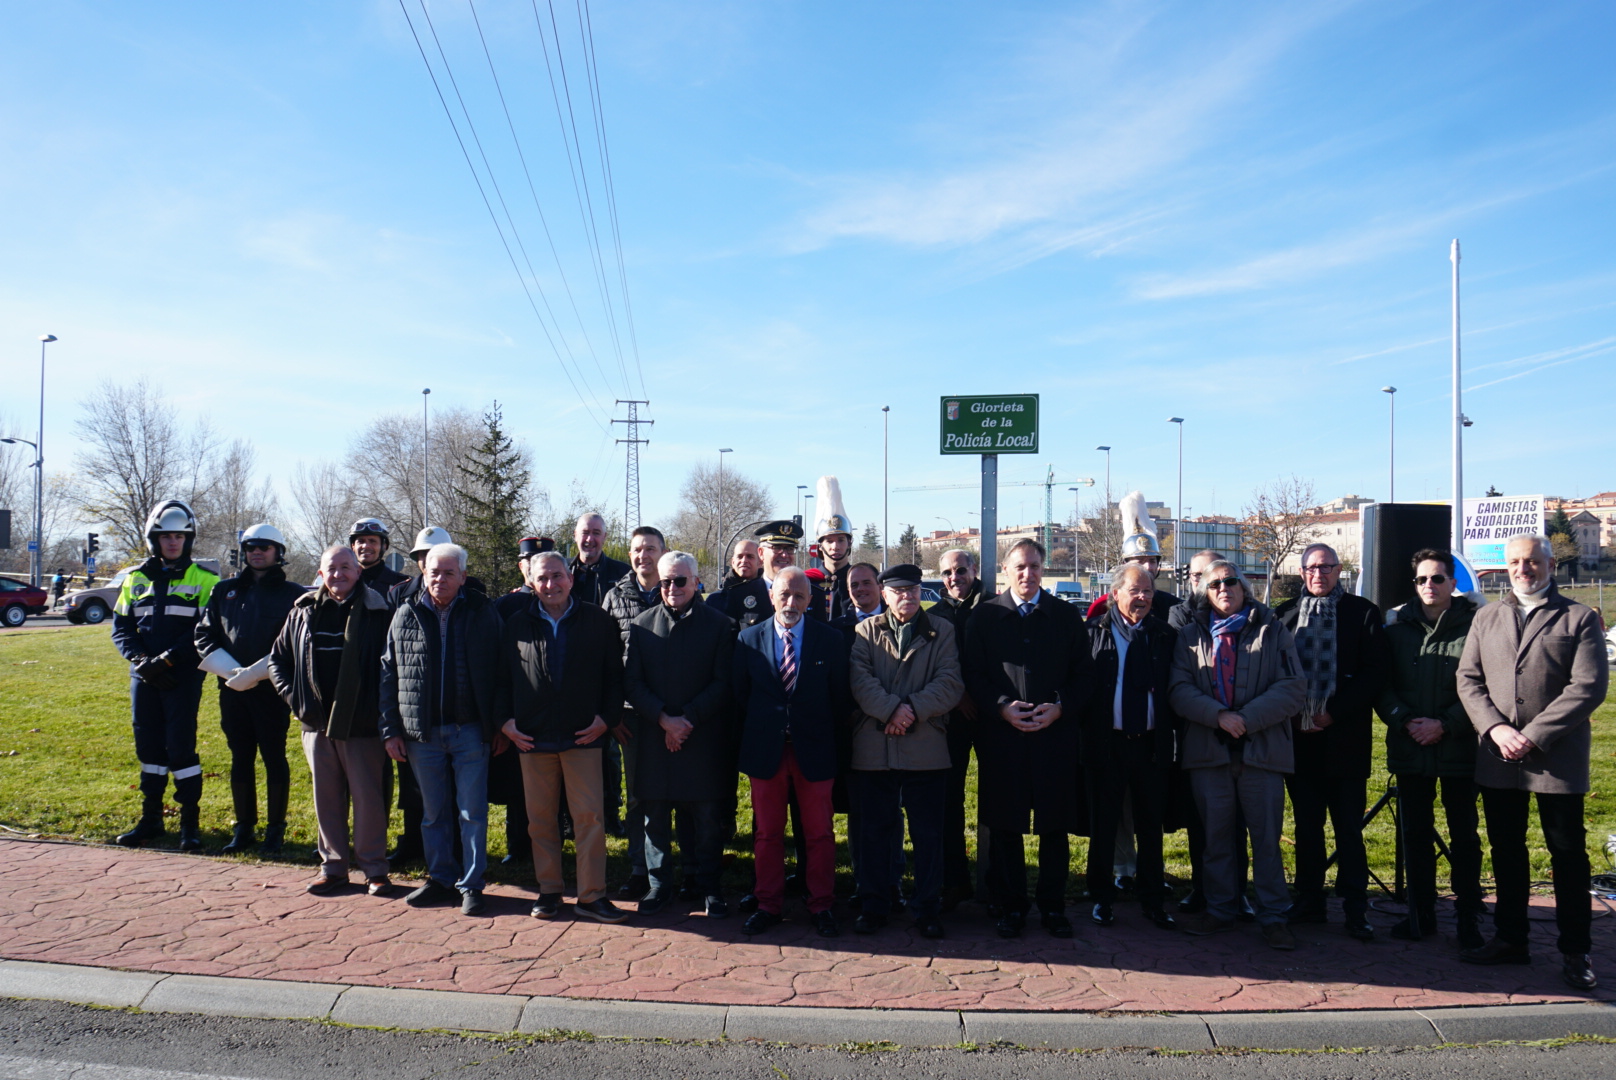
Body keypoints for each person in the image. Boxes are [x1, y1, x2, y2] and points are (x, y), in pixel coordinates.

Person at [1457, 534, 1607, 991]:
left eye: (1533, 561)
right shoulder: (1487, 616)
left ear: (1550, 564)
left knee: (1567, 855)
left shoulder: (1579, 617)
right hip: (1499, 756)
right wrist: (1496, 728)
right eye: (1517, 562)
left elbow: (1588, 687)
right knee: (1506, 852)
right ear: (1506, 567)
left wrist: (1534, 735)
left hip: (1555, 760)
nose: (1524, 569)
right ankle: (1510, 939)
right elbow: (1468, 678)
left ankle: (1575, 951)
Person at [1169, 561, 1306, 950]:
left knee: (1266, 839)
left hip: (1261, 751)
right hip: (1209, 752)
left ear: (1244, 587)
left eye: (1231, 581)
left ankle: (1274, 916)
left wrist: (1245, 719)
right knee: (1216, 838)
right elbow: (1178, 689)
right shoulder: (1189, 636)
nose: (1224, 588)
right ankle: (1220, 909)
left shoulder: (1273, 630)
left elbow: (1293, 688)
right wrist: (1218, 717)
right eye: (1215, 584)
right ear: (1204, 592)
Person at [966, 539, 1092, 939]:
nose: (1028, 574)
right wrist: (1002, 707)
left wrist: (1059, 707)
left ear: (1043, 570)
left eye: (1035, 566)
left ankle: (1053, 906)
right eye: (1020, 567)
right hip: (1002, 737)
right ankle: (1011, 905)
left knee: (1054, 826)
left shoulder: (1065, 616)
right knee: (1005, 826)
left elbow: (1084, 675)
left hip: (1054, 736)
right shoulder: (984, 617)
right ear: (1006, 570)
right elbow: (973, 676)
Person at [497, 551, 629, 923]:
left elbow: (614, 677)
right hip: (532, 740)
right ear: (531, 581)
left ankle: (591, 896)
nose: (550, 585)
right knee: (540, 821)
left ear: (570, 578)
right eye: (542, 578)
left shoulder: (597, 621)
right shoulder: (516, 623)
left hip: (583, 738)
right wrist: (504, 722)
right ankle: (550, 891)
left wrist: (607, 719)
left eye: (557, 576)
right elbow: (501, 680)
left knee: (589, 819)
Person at [379, 543, 505, 917]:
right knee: (433, 814)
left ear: (463, 576)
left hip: (469, 731)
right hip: (422, 734)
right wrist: (391, 729)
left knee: (472, 813)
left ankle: (471, 885)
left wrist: (497, 724)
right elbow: (388, 673)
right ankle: (440, 879)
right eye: (434, 572)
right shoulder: (406, 613)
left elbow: (502, 672)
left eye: (449, 572)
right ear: (424, 574)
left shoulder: (483, 612)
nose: (440, 578)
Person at [1271, 543, 1387, 940]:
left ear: (1340, 570)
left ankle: (1356, 906)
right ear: (1301, 572)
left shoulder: (1362, 613)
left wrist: (1332, 713)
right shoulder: (1283, 615)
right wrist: (1294, 712)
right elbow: (1273, 673)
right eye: (1311, 568)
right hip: (1297, 737)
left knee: (1348, 828)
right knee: (1306, 825)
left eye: (1327, 567)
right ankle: (1309, 901)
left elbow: (1375, 674)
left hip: (1345, 736)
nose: (1319, 574)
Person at [268, 546, 394, 896]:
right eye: (331, 569)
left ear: (358, 571)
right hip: (317, 725)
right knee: (327, 799)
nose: (338, 574)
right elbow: (277, 660)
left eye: (345, 567)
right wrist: (296, 699)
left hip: (363, 724)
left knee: (368, 799)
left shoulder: (380, 610)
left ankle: (374, 870)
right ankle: (334, 868)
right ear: (321, 574)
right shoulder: (303, 612)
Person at [847, 563, 963, 938]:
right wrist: (890, 711)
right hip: (875, 747)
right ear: (884, 594)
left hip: (925, 746)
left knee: (929, 835)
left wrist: (909, 710)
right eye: (898, 591)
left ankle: (927, 908)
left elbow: (950, 682)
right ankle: (874, 905)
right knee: (874, 833)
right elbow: (859, 680)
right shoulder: (864, 631)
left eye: (913, 590)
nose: (907, 597)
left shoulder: (941, 630)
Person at [1375, 548, 1484, 948]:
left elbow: (1484, 684)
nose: (1429, 586)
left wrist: (1447, 725)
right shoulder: (1395, 629)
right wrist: (1404, 720)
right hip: (1410, 747)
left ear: (1453, 583)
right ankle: (1420, 915)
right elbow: (1381, 686)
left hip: (1459, 748)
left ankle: (1469, 915)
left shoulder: (1476, 626)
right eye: (1422, 579)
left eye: (1437, 578)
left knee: (1465, 836)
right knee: (1415, 835)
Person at [733, 567, 849, 938]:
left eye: (800, 596)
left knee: (819, 834)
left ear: (810, 601)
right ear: (772, 596)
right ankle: (768, 903)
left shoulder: (829, 640)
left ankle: (822, 904)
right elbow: (740, 697)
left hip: (813, 752)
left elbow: (840, 699)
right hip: (766, 751)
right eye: (784, 594)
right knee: (767, 834)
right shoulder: (748, 639)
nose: (791, 602)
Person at [624, 550, 738, 918]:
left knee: (705, 818)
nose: (672, 588)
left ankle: (708, 886)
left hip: (701, 737)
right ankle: (659, 886)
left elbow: (724, 683)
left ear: (696, 581)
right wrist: (663, 720)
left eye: (680, 580)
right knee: (653, 818)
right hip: (656, 737)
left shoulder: (721, 625)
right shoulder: (641, 625)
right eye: (666, 581)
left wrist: (685, 720)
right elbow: (632, 682)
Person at [111, 500, 221, 851]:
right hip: (143, 676)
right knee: (148, 747)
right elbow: (121, 629)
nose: (173, 542)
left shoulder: (206, 579)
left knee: (181, 747)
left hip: (182, 677)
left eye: (179, 536)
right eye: (166, 536)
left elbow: (205, 631)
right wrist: (142, 660)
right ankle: (151, 819)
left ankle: (190, 823)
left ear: (188, 540)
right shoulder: (134, 579)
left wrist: (169, 660)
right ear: (152, 539)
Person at [195, 522, 307, 855]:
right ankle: (243, 828)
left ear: (279, 553)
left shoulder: (294, 595)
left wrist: (257, 674)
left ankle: (275, 831)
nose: (256, 552)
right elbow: (204, 636)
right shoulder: (224, 590)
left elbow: (296, 644)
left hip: (272, 692)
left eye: (264, 547)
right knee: (240, 758)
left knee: (274, 758)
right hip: (231, 689)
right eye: (250, 547)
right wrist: (233, 673)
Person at [1083, 563, 1179, 930]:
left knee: (1151, 826)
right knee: (1104, 825)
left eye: (1148, 592)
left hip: (1151, 745)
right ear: (1115, 594)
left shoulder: (1164, 635)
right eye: (1135, 590)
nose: (1142, 598)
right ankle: (1101, 898)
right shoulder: (1093, 633)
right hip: (1107, 744)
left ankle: (1152, 898)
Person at [601, 526, 667, 888]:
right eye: (638, 550)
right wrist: (612, 715)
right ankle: (639, 868)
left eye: (651, 549)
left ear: (663, 551)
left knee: (678, 792)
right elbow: (605, 661)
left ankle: (679, 867)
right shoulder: (615, 597)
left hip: (673, 711)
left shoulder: (678, 589)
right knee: (639, 794)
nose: (644, 556)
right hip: (631, 714)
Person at [491, 536, 555, 864]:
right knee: (518, 783)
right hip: (520, 710)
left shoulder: (563, 598)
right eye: (531, 563)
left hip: (558, 711)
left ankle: (555, 842)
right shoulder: (506, 606)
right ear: (522, 566)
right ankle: (518, 845)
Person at [933, 547, 985, 911]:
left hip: (992, 717)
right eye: (948, 572)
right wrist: (958, 696)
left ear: (974, 570)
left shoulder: (995, 608)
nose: (955, 578)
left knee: (998, 800)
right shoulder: (933, 614)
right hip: (951, 720)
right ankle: (955, 880)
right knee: (948, 802)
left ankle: (996, 881)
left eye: (961, 570)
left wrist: (978, 696)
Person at [1086, 491, 1180, 622]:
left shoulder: (1172, 605)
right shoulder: (1101, 606)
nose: (1148, 567)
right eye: (1140, 561)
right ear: (1125, 564)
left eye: (1152, 560)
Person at [814, 476, 857, 621]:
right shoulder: (808, 580)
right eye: (829, 541)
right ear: (820, 545)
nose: (835, 546)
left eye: (841, 540)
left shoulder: (859, 579)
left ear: (850, 542)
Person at [568, 512, 630, 605]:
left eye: (596, 533)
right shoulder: (561, 569)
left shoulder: (623, 574)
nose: (589, 539)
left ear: (604, 537)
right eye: (585, 532)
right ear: (575, 535)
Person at [350, 518, 408, 597]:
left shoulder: (401, 585)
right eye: (361, 541)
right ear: (353, 546)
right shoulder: (343, 582)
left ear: (384, 546)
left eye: (372, 541)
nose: (366, 546)